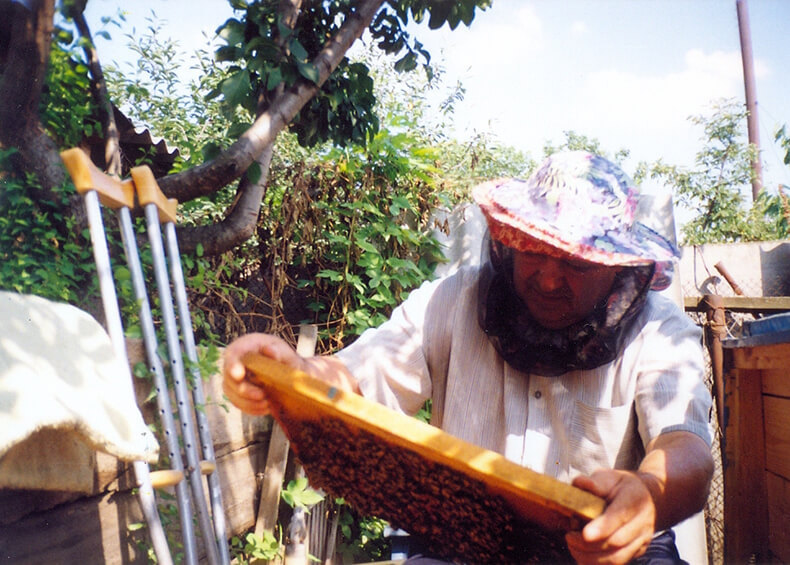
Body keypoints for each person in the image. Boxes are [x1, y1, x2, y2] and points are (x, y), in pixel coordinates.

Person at [223, 151, 714, 565]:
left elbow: (685, 448)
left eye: (576, 262)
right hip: (458, 542)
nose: (547, 278)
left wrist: (648, 494)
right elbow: (355, 376)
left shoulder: (659, 329)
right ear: (508, 240)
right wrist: (295, 373)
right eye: (534, 249)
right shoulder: (452, 300)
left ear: (617, 267)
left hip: (601, 550)